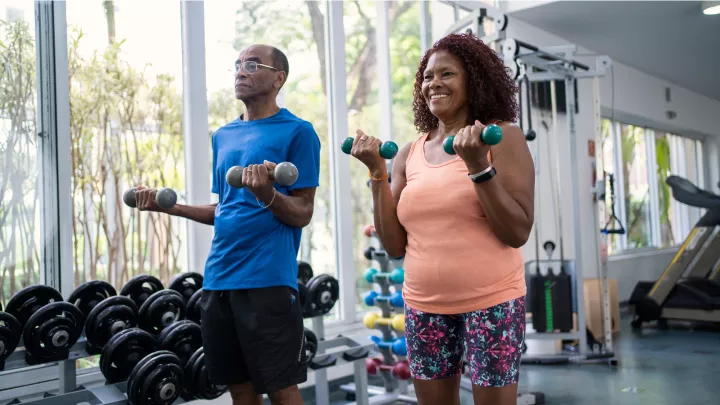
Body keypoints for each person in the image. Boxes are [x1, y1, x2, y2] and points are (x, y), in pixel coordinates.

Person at [349, 33, 535, 405]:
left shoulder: (502, 138)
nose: (434, 83)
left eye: (447, 74)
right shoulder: (409, 153)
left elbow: (517, 231)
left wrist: (478, 167)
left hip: (492, 302)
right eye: (428, 77)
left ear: (474, 80)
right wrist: (377, 173)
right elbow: (393, 245)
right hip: (423, 305)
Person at [133, 44, 320, 405]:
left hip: (267, 281)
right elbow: (226, 210)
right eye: (237, 65)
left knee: (281, 390)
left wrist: (268, 193)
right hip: (219, 280)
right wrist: (170, 208)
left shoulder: (299, 132)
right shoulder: (223, 136)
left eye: (252, 65)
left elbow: (303, 212)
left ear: (278, 78)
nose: (240, 72)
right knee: (240, 390)